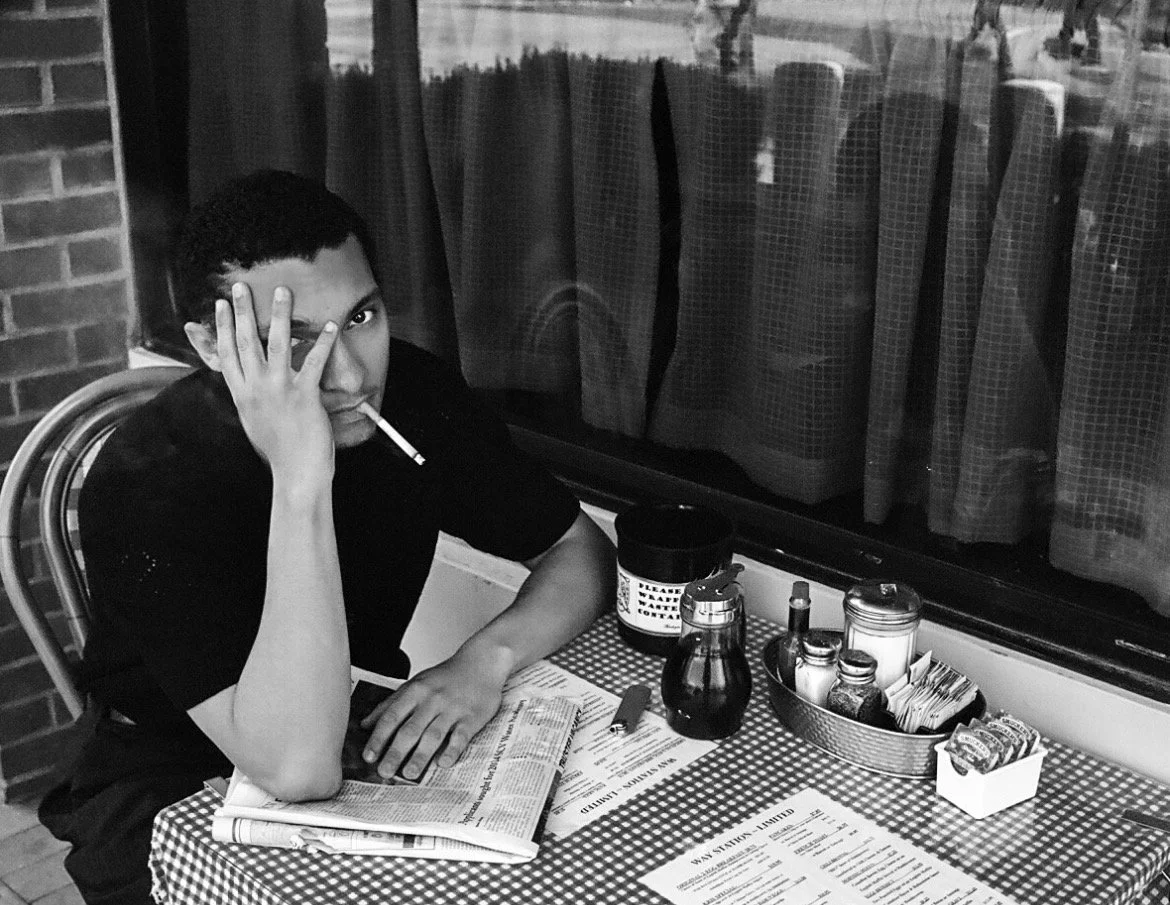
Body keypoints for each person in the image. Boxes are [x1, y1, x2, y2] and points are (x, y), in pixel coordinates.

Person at [38, 169, 615, 904]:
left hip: (345, 722)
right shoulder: (144, 480)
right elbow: (296, 765)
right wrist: (301, 478)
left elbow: (581, 553)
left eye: (363, 317)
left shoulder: (413, 395)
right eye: (297, 339)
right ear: (214, 347)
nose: (347, 375)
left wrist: (483, 660)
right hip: (165, 773)